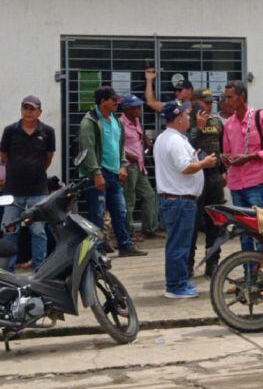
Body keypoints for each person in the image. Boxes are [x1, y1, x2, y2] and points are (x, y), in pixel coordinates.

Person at [154, 101, 219, 299]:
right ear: (179, 117)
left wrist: (195, 160)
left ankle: (178, 282)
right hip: (180, 201)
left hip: (177, 200)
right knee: (179, 245)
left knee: (178, 244)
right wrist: (204, 163)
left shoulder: (168, 138)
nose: (189, 118)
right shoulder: (174, 140)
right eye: (187, 114)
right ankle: (176, 286)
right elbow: (185, 168)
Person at [79, 86, 146, 258]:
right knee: (97, 213)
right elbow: (88, 150)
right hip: (98, 173)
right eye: (113, 100)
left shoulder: (115, 121)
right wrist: (96, 173)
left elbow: (119, 146)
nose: (117, 103)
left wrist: (123, 165)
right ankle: (97, 249)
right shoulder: (90, 122)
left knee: (120, 211)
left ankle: (125, 245)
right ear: (103, 101)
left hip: (114, 173)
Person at [221, 80, 263, 252]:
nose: (226, 101)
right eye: (225, 97)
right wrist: (225, 158)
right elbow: (227, 152)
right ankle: (248, 271)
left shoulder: (260, 116)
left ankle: (261, 270)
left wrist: (250, 157)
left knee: (259, 228)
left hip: (255, 181)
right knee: (243, 230)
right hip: (235, 183)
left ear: (242, 97)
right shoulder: (229, 124)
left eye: (230, 97)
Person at [0, 95, 56, 270]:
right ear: (21, 109)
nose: (29, 112)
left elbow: (48, 158)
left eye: (33, 109)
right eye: (26, 108)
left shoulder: (48, 131)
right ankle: (8, 270)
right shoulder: (10, 131)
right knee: (9, 230)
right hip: (12, 190)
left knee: (38, 232)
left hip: (38, 190)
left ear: (39, 111)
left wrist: (35, 170)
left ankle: (39, 270)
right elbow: (4, 156)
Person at [188, 89, 228, 279]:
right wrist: (197, 127)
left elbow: (221, 147)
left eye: (211, 102)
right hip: (195, 177)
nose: (209, 105)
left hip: (213, 178)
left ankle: (212, 263)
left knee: (216, 222)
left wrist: (223, 171)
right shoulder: (185, 120)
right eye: (205, 102)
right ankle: (187, 265)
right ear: (194, 101)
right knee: (193, 224)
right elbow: (185, 147)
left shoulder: (216, 121)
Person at [119, 94, 157, 243]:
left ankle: (149, 229)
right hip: (128, 165)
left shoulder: (136, 121)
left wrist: (145, 140)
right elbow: (116, 145)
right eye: (135, 107)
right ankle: (128, 232)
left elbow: (137, 138)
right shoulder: (120, 123)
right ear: (127, 109)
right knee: (129, 199)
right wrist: (128, 155)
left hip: (139, 164)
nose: (139, 109)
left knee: (149, 195)